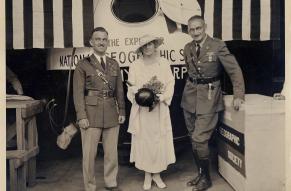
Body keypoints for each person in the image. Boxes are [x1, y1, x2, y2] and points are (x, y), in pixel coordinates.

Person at [181, 15, 245, 191]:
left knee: (199, 139)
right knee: (192, 137)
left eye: (198, 28)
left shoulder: (217, 45)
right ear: (188, 30)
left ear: (205, 27)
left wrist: (239, 94)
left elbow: (234, 70)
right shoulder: (187, 48)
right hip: (189, 98)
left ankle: (206, 179)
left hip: (209, 97)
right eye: (191, 29)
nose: (195, 32)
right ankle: (201, 172)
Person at [73, 27, 125, 191]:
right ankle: (90, 186)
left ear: (107, 42)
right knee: (89, 154)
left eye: (104, 39)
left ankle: (110, 182)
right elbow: (78, 92)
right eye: (98, 39)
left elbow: (119, 90)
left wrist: (122, 111)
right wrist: (81, 116)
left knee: (111, 153)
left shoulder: (114, 64)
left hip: (111, 111)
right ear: (91, 42)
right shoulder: (83, 65)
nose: (101, 42)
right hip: (91, 112)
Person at [127, 34, 176, 190]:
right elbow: (131, 87)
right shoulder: (135, 65)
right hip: (142, 111)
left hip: (159, 110)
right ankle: (148, 175)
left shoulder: (164, 63)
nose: (148, 47)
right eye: (145, 45)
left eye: (151, 44)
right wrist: (140, 94)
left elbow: (170, 83)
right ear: (141, 48)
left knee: (159, 140)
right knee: (145, 141)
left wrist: (161, 97)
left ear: (155, 45)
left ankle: (157, 174)